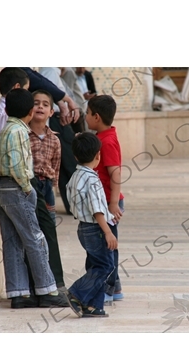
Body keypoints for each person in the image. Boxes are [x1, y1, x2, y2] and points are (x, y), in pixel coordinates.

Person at [0, 88, 68, 309]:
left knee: (12, 241)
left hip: (2, 188)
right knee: (36, 238)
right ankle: (48, 291)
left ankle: (20, 293)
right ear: (29, 111)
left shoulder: (7, 128)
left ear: (7, 109)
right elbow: (18, 165)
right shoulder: (19, 132)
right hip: (16, 189)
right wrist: (27, 188)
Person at [65, 132, 118, 318]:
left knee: (95, 266)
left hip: (83, 227)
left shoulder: (75, 177)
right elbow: (96, 210)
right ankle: (77, 293)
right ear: (98, 155)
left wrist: (110, 216)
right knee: (105, 266)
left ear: (76, 156)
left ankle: (93, 306)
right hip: (95, 229)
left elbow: (77, 205)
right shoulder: (92, 179)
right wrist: (108, 232)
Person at [85, 95, 124, 302]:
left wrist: (113, 203)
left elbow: (115, 173)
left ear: (97, 117)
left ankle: (108, 289)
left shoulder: (106, 141)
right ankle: (114, 286)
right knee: (107, 246)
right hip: (105, 202)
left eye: (87, 113)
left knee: (106, 247)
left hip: (108, 203)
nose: (85, 117)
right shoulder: (102, 137)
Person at [39, 67, 80, 215]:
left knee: (66, 164)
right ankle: (76, 205)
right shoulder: (50, 70)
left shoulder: (55, 72)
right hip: (56, 120)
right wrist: (63, 107)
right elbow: (49, 97)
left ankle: (73, 205)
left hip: (58, 119)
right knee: (70, 162)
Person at [29, 90, 61, 223]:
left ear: (51, 112)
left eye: (45, 104)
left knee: (49, 222)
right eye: (36, 103)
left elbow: (56, 165)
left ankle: (48, 244)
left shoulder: (54, 140)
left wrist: (54, 185)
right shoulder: (23, 134)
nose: (40, 106)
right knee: (31, 220)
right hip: (29, 184)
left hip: (47, 186)